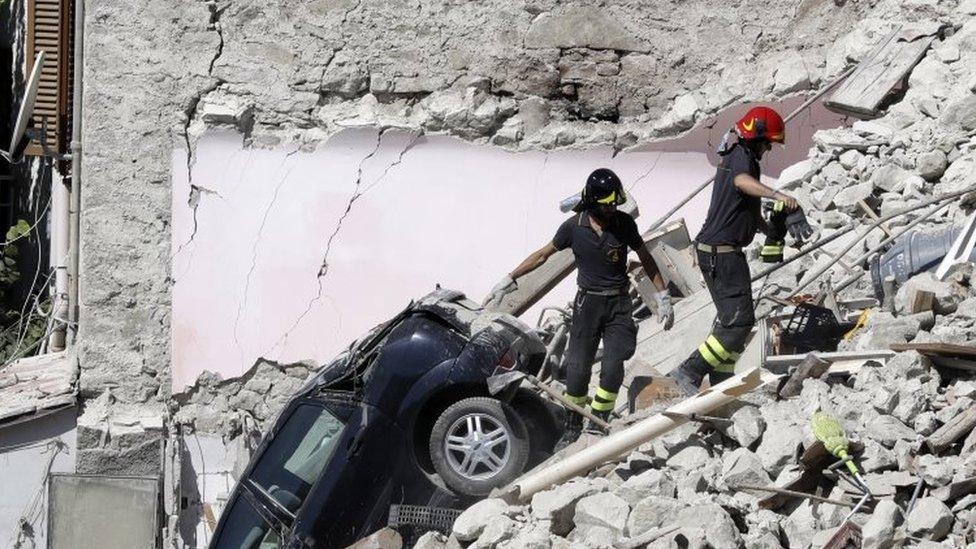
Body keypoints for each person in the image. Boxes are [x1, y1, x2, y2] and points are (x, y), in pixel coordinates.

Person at [485, 168, 675, 448]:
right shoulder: (574, 227)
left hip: (618, 305)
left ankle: (599, 419)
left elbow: (645, 257)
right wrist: (510, 278)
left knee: (612, 367)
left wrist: (663, 295)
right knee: (576, 369)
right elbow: (542, 255)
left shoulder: (623, 224)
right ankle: (573, 424)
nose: (611, 208)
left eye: (614, 203)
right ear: (593, 202)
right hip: (587, 305)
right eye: (606, 204)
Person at [667, 105, 812, 395]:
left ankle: (723, 380)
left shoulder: (742, 159)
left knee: (732, 323)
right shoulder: (740, 158)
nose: (767, 149)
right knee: (739, 323)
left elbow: (749, 210)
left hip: (722, 252)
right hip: (721, 254)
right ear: (756, 137)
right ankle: (689, 371)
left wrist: (773, 229)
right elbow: (741, 183)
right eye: (767, 143)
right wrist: (780, 194)